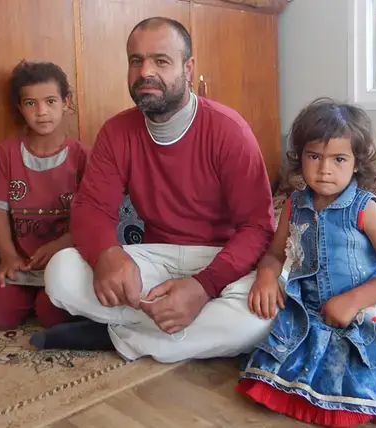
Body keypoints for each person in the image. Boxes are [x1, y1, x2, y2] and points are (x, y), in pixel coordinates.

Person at [31, 17, 275, 363]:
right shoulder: (116, 132)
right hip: (154, 256)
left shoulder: (229, 130)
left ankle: (116, 335)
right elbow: (92, 208)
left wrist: (204, 286)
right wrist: (107, 254)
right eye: (136, 60)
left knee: (258, 320)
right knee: (61, 273)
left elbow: (258, 227)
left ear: (188, 68)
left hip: (220, 258)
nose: (145, 71)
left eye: (161, 61)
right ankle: (174, 332)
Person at [235, 98, 376, 427]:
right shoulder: (295, 205)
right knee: (274, 354)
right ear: (300, 158)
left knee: (368, 367)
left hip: (360, 312)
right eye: (314, 156)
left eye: (338, 158)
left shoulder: (365, 209)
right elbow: (275, 255)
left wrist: (353, 301)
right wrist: (266, 276)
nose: (324, 169)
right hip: (309, 311)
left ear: (356, 163)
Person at [0, 60, 89, 330]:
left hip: (66, 259)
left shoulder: (82, 156)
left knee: (51, 316)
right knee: (0, 316)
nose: (42, 112)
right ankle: (33, 294)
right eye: (31, 104)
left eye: (51, 101)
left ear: (65, 102)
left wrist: (59, 245)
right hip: (24, 264)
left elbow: (94, 216)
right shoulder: (7, 152)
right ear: (20, 108)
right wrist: (7, 256)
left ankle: (49, 298)